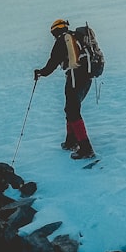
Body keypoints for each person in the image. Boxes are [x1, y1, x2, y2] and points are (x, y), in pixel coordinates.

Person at [34, 18, 95, 160]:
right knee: (71, 109)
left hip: (75, 76)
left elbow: (53, 61)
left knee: (73, 111)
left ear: (56, 30)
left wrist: (41, 72)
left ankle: (85, 148)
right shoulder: (76, 37)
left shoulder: (63, 40)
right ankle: (71, 141)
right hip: (86, 77)